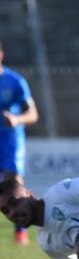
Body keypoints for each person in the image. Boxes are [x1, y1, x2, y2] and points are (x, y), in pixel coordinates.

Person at [0, 41, 39, 245]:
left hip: (10, 138)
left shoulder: (15, 81)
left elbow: (33, 114)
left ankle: (21, 230)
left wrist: (16, 119)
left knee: (13, 181)